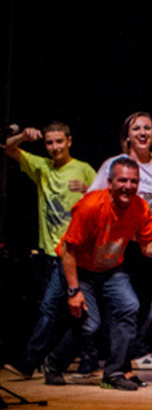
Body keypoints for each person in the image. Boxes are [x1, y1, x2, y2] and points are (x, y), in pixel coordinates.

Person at [43, 157, 152, 390]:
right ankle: (54, 362)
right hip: (80, 268)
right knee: (90, 326)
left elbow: (146, 245)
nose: (128, 186)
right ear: (110, 183)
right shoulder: (91, 206)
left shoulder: (140, 207)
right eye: (123, 180)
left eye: (134, 181)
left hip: (111, 268)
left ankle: (115, 372)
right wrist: (74, 290)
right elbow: (68, 251)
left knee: (129, 307)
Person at [4, 122, 96, 378]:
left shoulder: (83, 169)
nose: (54, 147)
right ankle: (83, 358)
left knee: (50, 307)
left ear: (69, 141)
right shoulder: (42, 167)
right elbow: (7, 149)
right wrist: (22, 136)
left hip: (73, 253)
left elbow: (104, 200)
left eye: (59, 141)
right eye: (49, 142)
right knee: (69, 310)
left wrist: (89, 191)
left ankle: (29, 361)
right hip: (49, 251)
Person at [89, 112, 152, 374]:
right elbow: (94, 198)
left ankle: (136, 350)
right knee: (119, 300)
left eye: (147, 128)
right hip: (119, 243)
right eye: (136, 128)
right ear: (127, 135)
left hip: (149, 243)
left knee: (146, 299)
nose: (142, 132)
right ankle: (109, 353)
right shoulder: (113, 164)